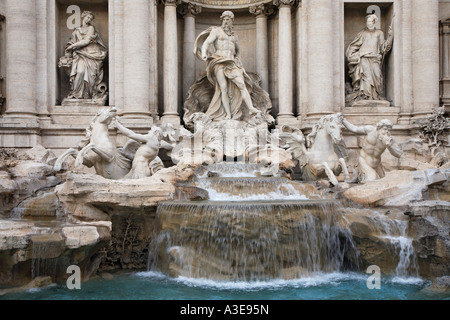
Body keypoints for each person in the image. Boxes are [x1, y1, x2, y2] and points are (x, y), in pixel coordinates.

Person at [193, 11, 260, 121]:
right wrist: (204, 53)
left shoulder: (234, 36)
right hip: (219, 61)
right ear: (222, 20)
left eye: (228, 19)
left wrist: (238, 60)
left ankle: (251, 107)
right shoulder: (216, 31)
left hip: (231, 63)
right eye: (224, 19)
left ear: (232, 21)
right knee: (223, 88)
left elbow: (238, 50)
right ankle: (228, 114)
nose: (226, 21)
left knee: (241, 84)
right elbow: (207, 43)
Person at [59, 11, 108, 100]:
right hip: (80, 55)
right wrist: (69, 48)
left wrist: (72, 46)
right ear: (83, 17)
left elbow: (86, 41)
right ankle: (76, 94)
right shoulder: (76, 30)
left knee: (91, 76)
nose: (88, 19)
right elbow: (71, 41)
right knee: (80, 72)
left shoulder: (91, 28)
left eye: (90, 18)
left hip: (91, 54)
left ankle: (87, 95)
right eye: (87, 17)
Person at [346, 14, 393, 104]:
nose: (369, 24)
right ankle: (366, 97)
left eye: (370, 22)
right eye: (367, 22)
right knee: (366, 77)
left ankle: (376, 96)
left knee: (377, 76)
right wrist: (351, 55)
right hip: (364, 58)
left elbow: (384, 48)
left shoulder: (379, 33)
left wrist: (390, 37)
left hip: (375, 59)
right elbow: (354, 45)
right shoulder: (362, 33)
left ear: (374, 23)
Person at [342, 118, 403, 183]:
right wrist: (343, 120)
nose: (387, 132)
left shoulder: (390, 139)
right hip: (364, 161)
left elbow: (398, 154)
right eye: (385, 129)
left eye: (389, 130)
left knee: (383, 182)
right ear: (379, 127)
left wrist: (389, 146)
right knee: (372, 180)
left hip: (377, 165)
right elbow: (355, 129)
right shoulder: (370, 130)